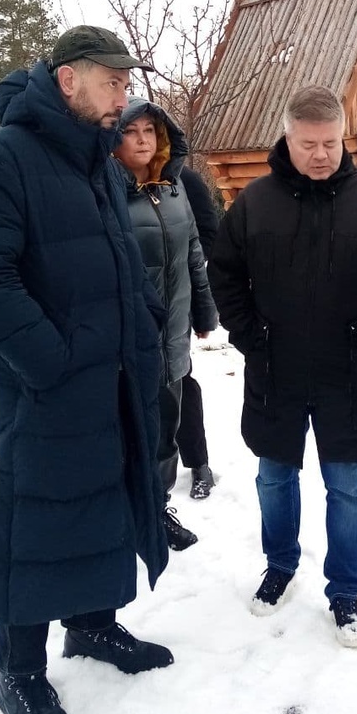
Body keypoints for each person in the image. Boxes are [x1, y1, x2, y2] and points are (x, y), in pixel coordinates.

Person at [0, 27, 173, 714]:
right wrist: (50, 362)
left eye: (123, 82)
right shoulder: (2, 160)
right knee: (35, 520)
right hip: (44, 391)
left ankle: (93, 622)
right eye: (110, 83)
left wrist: (140, 327)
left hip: (110, 377)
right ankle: (20, 672)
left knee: (105, 501)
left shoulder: (97, 164)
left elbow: (119, 261)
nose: (123, 96)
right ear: (68, 79)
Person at [207, 85, 357, 647]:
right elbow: (223, 272)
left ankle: (346, 591)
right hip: (275, 366)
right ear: (288, 136)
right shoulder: (255, 202)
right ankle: (280, 565)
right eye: (308, 144)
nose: (320, 154)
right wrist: (251, 336)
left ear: (342, 136)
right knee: (275, 475)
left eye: (329, 143)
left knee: (349, 484)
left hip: (348, 371)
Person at [114, 98, 218, 547]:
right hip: (127, 337)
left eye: (150, 132)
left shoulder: (174, 190)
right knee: (126, 428)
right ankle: (124, 517)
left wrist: (205, 310)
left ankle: (157, 510)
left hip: (173, 330)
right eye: (131, 131)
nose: (142, 140)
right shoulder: (106, 192)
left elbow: (194, 250)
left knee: (166, 427)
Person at [178, 163, 220, 499]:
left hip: (175, 298)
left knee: (179, 381)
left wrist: (174, 264)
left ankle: (198, 462)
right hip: (125, 302)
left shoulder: (183, 179)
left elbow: (208, 233)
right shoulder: (110, 175)